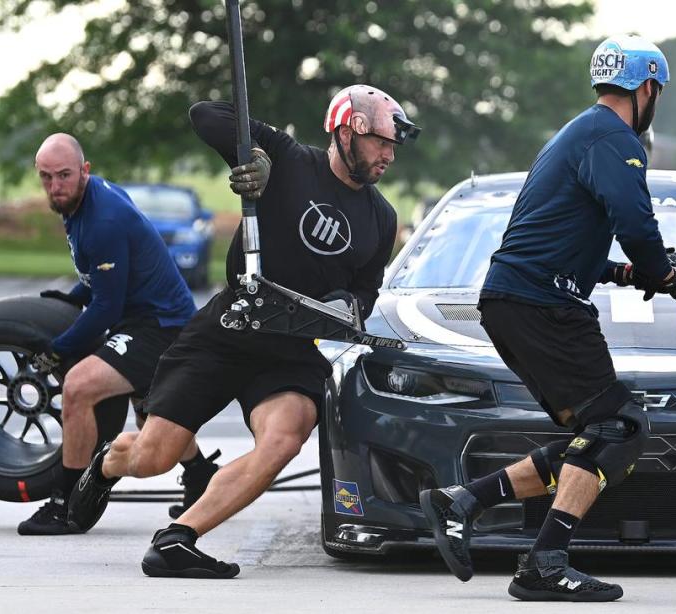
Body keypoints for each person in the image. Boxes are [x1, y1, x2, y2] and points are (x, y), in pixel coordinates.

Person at [66, 85, 419, 578]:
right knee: (153, 457)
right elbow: (205, 113)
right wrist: (255, 155)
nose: (388, 154)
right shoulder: (290, 159)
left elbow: (367, 290)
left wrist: (350, 305)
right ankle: (107, 463)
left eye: (393, 146)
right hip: (229, 329)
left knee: (283, 439)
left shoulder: (381, 217)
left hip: (292, 350)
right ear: (345, 133)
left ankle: (177, 539)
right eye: (381, 142)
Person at [419, 35, 676, 602]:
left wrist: (629, 274)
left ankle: (462, 501)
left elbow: (564, 241)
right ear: (647, 88)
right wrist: (659, 269)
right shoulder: (616, 140)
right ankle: (544, 564)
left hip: (520, 300)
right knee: (619, 429)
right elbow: (636, 224)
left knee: (595, 433)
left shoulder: (578, 135)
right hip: (542, 306)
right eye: (657, 92)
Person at [19, 133, 264, 534]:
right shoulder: (84, 202)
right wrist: (70, 297)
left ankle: (65, 505)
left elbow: (106, 308)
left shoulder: (104, 218)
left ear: (85, 170)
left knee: (78, 387)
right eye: (46, 177)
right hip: (146, 319)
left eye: (63, 175)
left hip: (159, 326)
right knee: (154, 413)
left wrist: (57, 350)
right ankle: (201, 475)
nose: (55, 187)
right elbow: (104, 279)